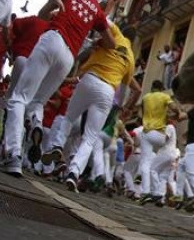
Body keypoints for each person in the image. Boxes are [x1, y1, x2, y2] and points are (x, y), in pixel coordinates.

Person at [1, 0, 111, 177]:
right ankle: (36, 124)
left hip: (53, 38)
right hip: (68, 57)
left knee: (19, 97)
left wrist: (48, 17)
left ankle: (13, 154)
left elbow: (45, 11)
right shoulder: (97, 10)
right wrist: (96, 40)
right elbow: (111, 42)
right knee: (38, 102)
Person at [55, 24, 140, 192]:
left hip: (90, 78)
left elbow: (103, 20)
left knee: (69, 119)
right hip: (108, 92)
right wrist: (121, 107)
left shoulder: (115, 34)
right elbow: (124, 91)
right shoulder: (130, 58)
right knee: (90, 138)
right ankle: (74, 172)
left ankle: (57, 147)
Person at [137, 80, 180, 200]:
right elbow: (174, 108)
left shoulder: (145, 98)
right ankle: (158, 193)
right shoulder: (165, 96)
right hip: (160, 135)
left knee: (146, 162)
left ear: (152, 88)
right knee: (160, 169)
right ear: (161, 88)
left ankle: (146, 191)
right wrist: (177, 114)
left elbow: (140, 115)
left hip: (146, 131)